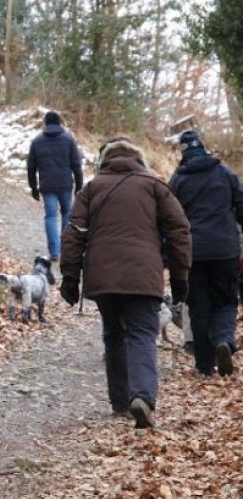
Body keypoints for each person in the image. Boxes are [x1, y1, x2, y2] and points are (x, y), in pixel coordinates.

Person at [59, 137, 191, 429]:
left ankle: (119, 401)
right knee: (142, 334)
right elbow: (180, 230)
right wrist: (180, 276)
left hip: (103, 276)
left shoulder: (92, 188)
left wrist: (70, 276)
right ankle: (141, 397)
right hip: (143, 274)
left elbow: (74, 232)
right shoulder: (155, 185)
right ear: (139, 159)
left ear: (105, 161)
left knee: (113, 334)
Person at [168, 130, 243, 377]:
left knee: (198, 305)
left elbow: (169, 218)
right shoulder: (224, 172)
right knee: (226, 300)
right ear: (203, 146)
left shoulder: (178, 179)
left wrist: (169, 254)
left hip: (192, 252)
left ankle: (205, 365)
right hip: (225, 249)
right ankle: (223, 340)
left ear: (183, 152)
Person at [27, 110, 84, 262]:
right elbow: (76, 165)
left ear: (45, 123)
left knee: (51, 216)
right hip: (65, 185)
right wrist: (79, 185)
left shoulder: (37, 141)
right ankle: (65, 247)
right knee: (67, 214)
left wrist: (33, 187)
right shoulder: (69, 139)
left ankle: (54, 252)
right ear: (60, 122)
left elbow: (31, 167)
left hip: (47, 185)